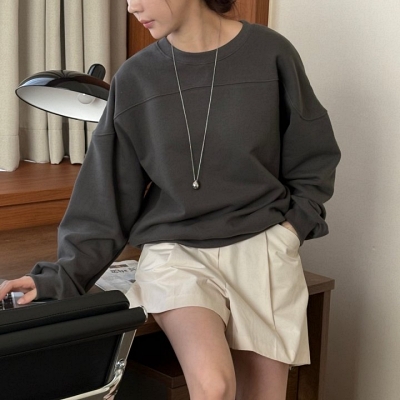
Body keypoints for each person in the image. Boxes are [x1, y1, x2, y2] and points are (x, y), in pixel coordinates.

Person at [0, 0, 341, 399]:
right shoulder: (137, 77)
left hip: (262, 246)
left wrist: (291, 231)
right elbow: (107, 193)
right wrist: (61, 277)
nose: (132, 7)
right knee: (214, 386)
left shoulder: (270, 54)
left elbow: (314, 157)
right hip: (176, 252)